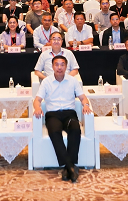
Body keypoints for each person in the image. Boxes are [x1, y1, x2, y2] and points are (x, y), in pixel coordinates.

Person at [33, 55, 92, 183]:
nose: (59, 67)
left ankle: (67, 169)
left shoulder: (73, 81)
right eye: (56, 64)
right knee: (54, 133)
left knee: (75, 130)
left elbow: (83, 97)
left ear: (66, 66)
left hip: (69, 114)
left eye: (62, 65)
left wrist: (86, 105)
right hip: (53, 114)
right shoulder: (46, 82)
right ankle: (71, 166)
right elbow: (37, 100)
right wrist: (37, 108)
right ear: (52, 66)